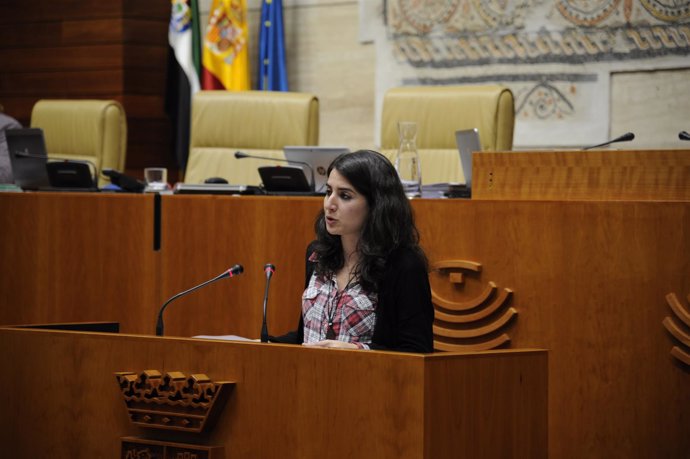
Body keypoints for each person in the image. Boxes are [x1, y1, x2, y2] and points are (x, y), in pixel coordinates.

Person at [272, 150, 434, 353]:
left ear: (376, 205)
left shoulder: (404, 265)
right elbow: (306, 337)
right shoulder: (317, 255)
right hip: (310, 379)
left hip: (368, 381)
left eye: (345, 196)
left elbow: (418, 351)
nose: (330, 204)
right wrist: (262, 345)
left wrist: (358, 351)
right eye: (328, 191)